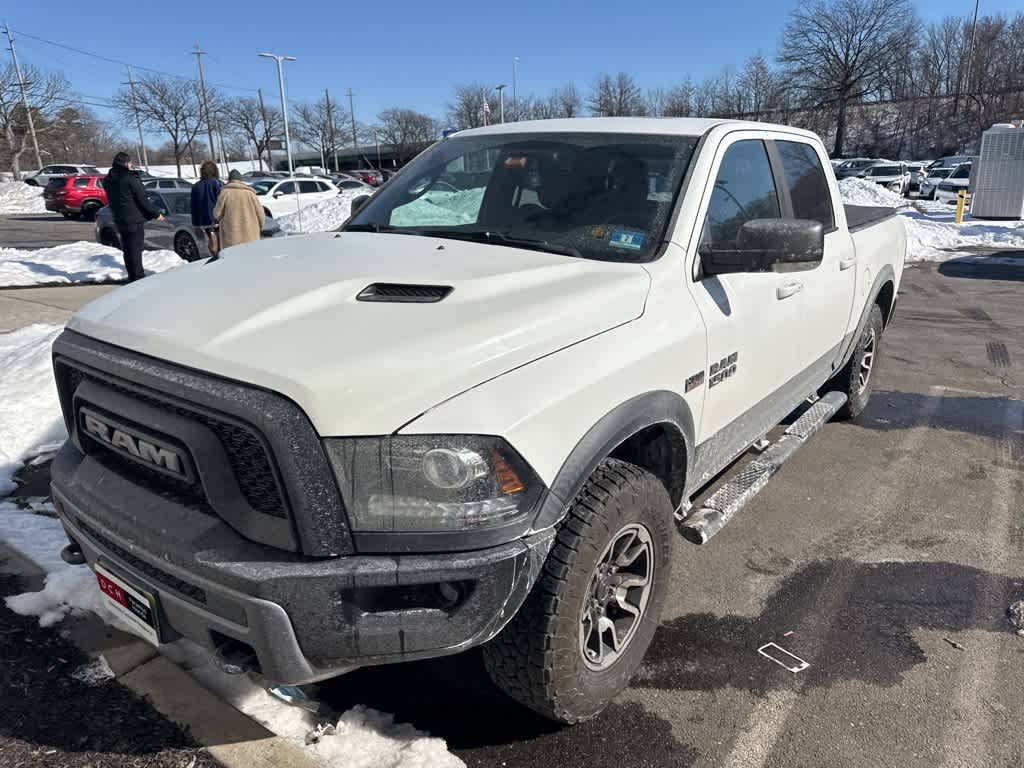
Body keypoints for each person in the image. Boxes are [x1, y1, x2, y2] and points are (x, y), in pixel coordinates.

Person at [104, 152, 163, 282]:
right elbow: (142, 199)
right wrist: (156, 213)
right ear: (125, 163)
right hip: (134, 219)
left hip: (119, 218)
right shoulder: (130, 178)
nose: (132, 165)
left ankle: (132, 275)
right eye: (130, 162)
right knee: (136, 250)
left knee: (128, 249)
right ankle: (138, 278)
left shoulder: (108, 179)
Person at [213, 170, 265, 249]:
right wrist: (260, 226)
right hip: (251, 236)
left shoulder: (224, 193)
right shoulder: (250, 194)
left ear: (229, 180)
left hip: (231, 237)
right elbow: (260, 214)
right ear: (241, 180)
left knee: (234, 259)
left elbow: (216, 214)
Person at [191, 160, 223, 255]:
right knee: (222, 244)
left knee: (212, 242)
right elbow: (222, 201)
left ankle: (214, 255)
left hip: (204, 221)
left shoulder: (196, 186)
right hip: (218, 219)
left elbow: (194, 207)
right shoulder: (217, 183)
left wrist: (196, 225)